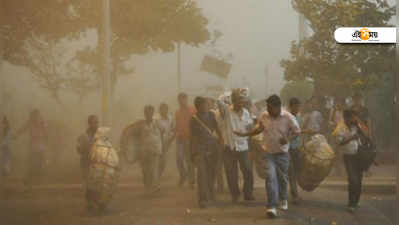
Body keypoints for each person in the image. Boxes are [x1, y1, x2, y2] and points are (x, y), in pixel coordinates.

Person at [235, 95, 300, 218]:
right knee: (270, 177)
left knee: (282, 178)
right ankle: (271, 206)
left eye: (271, 108)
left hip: (282, 153)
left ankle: (283, 199)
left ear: (278, 107)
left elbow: (297, 131)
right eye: (268, 107)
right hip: (268, 153)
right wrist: (245, 134)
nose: (268, 110)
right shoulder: (264, 115)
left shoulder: (288, 117)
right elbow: (259, 128)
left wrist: (288, 139)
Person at [217, 89, 255, 203]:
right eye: (237, 100)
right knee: (231, 173)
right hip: (229, 147)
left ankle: (248, 193)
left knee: (248, 170)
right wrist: (231, 92)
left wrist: (252, 129)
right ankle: (235, 194)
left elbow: (249, 128)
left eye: (241, 100)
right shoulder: (226, 111)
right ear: (232, 101)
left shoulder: (246, 113)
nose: (240, 102)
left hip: (243, 146)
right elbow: (219, 100)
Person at [191, 97, 223, 208]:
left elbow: (217, 130)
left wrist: (221, 143)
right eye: (205, 104)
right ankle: (203, 199)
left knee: (211, 174)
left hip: (213, 149)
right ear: (198, 106)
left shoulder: (211, 115)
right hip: (200, 150)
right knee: (201, 175)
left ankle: (211, 195)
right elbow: (193, 138)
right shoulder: (194, 119)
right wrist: (194, 153)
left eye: (207, 104)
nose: (207, 106)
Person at [333, 109, 365, 213]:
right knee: (352, 179)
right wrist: (351, 138)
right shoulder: (340, 127)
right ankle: (351, 203)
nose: (353, 119)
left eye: (354, 117)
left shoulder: (357, 126)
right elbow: (339, 142)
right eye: (351, 117)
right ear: (346, 117)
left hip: (359, 155)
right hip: (348, 156)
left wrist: (361, 133)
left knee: (359, 179)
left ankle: (356, 201)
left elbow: (365, 136)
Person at [132, 105, 163, 193]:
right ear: (145, 113)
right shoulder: (141, 124)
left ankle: (155, 186)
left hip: (155, 149)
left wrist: (162, 146)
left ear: (152, 113)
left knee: (154, 169)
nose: (149, 114)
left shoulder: (157, 123)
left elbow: (163, 132)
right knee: (145, 170)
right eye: (147, 112)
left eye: (150, 112)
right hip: (144, 150)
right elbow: (135, 135)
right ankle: (148, 185)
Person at [16, 109, 48, 191]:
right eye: (34, 116)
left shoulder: (42, 123)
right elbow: (22, 129)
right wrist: (16, 135)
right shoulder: (30, 123)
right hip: (33, 148)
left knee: (39, 165)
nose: (36, 118)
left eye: (37, 115)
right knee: (32, 165)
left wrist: (46, 140)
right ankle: (28, 181)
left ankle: (33, 181)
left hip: (40, 147)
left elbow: (46, 133)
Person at [175, 93, 196, 188]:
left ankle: (191, 181)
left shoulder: (192, 110)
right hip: (180, 139)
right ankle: (183, 175)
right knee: (179, 159)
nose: (181, 101)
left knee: (189, 160)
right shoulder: (177, 112)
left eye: (183, 99)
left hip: (190, 138)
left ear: (186, 99)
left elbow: (196, 124)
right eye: (180, 100)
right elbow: (177, 125)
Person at [287, 98, 303, 204]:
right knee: (291, 171)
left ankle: (294, 192)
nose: (297, 108)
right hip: (288, 148)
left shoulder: (299, 117)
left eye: (298, 106)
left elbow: (299, 131)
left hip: (297, 147)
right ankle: (295, 195)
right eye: (296, 106)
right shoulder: (287, 118)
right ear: (291, 106)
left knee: (296, 171)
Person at [77, 115, 99, 186]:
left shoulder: (101, 135)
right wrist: (85, 149)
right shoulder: (84, 136)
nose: (96, 124)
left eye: (97, 122)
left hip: (98, 161)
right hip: (87, 162)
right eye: (94, 122)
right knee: (88, 182)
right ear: (90, 124)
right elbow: (79, 149)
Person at [156, 103, 176, 178]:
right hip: (157, 143)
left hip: (166, 142)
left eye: (165, 109)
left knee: (163, 161)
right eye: (162, 109)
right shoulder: (156, 118)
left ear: (167, 110)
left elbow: (174, 129)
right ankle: (155, 177)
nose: (164, 111)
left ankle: (158, 175)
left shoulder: (170, 118)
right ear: (160, 110)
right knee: (157, 160)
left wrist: (171, 140)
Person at [0, 116, 12, 188]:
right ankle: (4, 181)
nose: (2, 125)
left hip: (6, 148)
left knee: (6, 163)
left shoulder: (8, 131)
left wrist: (2, 145)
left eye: (3, 123)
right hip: (5, 148)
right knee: (5, 163)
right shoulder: (5, 131)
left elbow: (6, 141)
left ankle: (5, 182)